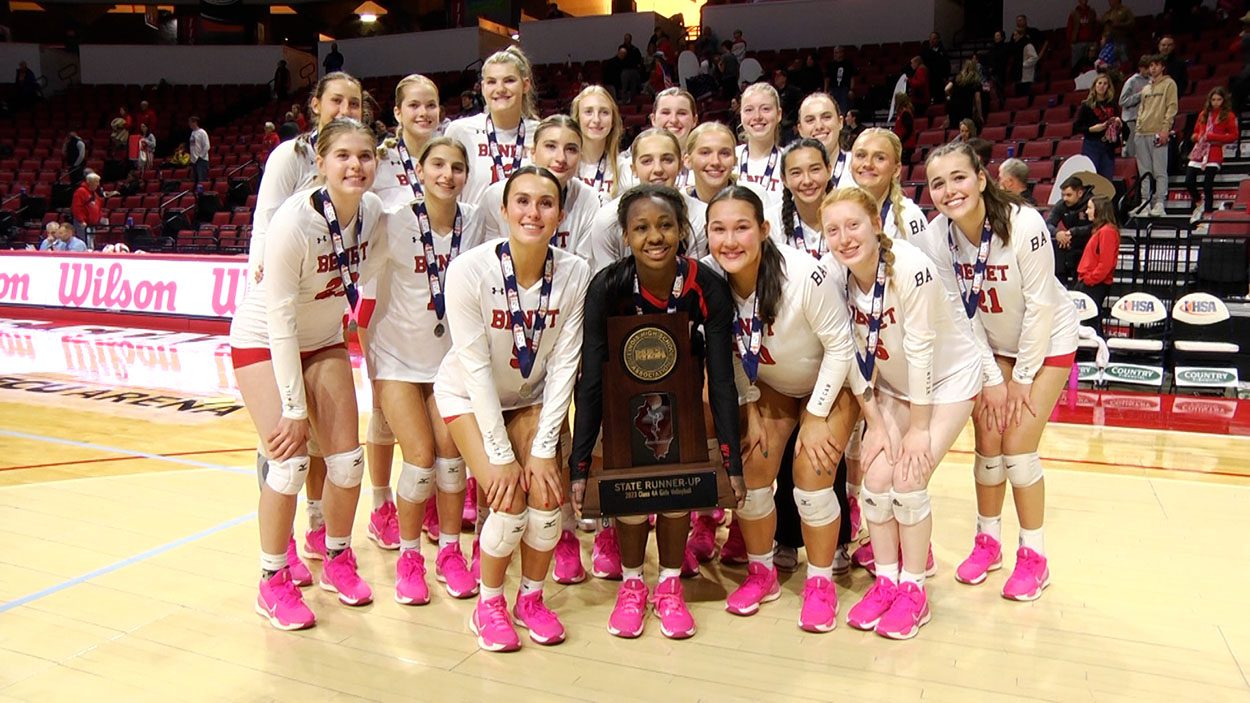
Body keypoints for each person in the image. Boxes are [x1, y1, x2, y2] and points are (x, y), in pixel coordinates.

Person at [230, 117, 386, 631]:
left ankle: (337, 557)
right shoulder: (294, 222)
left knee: (347, 463)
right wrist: (296, 409)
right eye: (342, 155)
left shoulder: (374, 214)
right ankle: (271, 580)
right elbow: (279, 318)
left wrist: (357, 336)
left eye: (364, 155)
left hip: (322, 340)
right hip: (263, 339)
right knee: (289, 464)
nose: (354, 165)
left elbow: (374, 285)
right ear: (320, 162)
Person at [570, 184, 746, 639]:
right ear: (625, 236)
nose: (655, 236)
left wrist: (732, 461)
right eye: (642, 227)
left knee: (676, 496)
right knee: (629, 498)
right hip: (622, 412)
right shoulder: (607, 286)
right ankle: (632, 586)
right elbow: (590, 381)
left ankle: (669, 587)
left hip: (682, 412)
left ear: (682, 230)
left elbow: (722, 380)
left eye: (666, 225)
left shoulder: (705, 285)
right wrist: (580, 464)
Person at [435, 166, 590, 652]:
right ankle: (489, 604)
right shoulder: (468, 270)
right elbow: (475, 368)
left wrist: (544, 450)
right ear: (503, 210)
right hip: (466, 394)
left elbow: (566, 365)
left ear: (560, 214)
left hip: (530, 397)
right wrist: (500, 457)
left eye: (546, 203)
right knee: (506, 501)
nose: (533, 212)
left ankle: (531, 598)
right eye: (521, 201)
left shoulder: (574, 271)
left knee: (546, 499)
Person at [917, 140, 1079, 603]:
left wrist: (1021, 380)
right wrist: (991, 378)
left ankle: (1035, 556)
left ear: (982, 179)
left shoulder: (1024, 223)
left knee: (1017, 446)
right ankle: (988, 542)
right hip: (992, 345)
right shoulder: (936, 238)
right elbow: (963, 316)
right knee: (988, 439)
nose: (950, 190)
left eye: (959, 178)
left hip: (1047, 340)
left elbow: (1043, 307)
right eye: (938, 183)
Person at [824, 186, 982, 640]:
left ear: (876, 223)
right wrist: (875, 421)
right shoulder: (837, 276)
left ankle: (914, 590)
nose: (844, 238)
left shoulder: (911, 268)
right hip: (894, 386)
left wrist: (917, 427)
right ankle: (887, 580)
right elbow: (848, 352)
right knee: (875, 480)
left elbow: (921, 350)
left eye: (853, 225)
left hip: (946, 379)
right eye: (833, 230)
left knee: (908, 480)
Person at [703, 185, 855, 633]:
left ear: (765, 230)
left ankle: (821, 582)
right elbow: (724, 351)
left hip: (829, 381)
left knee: (810, 485)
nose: (730, 240)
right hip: (769, 385)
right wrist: (748, 407)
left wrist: (815, 414)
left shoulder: (804, 276)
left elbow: (842, 349)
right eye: (719, 229)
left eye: (742, 228)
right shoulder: (711, 276)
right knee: (750, 479)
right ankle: (762, 573)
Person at [367, 136, 482, 604]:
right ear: (418, 168)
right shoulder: (392, 221)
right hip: (396, 357)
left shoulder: (474, 222)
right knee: (417, 458)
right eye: (438, 164)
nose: (447, 175)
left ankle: (450, 552)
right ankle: (410, 557)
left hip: (448, 361)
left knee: (451, 460)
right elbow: (352, 269)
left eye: (457, 167)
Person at [472, 115, 600, 264]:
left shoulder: (588, 199)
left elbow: (584, 267)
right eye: (551, 146)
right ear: (532, 152)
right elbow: (488, 260)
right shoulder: (496, 195)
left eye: (571, 149)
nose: (561, 158)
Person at [445, 47, 539, 204]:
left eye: (509, 80)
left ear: (525, 85)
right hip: (473, 227)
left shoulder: (540, 133)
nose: (500, 89)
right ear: (482, 88)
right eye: (491, 82)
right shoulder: (460, 131)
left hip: (525, 225)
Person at [849, 128, 928, 241]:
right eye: (861, 155)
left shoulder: (909, 216)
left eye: (880, 158)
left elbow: (925, 259)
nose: (868, 164)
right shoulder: (839, 211)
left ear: (896, 169)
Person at [1129, 55, 1178, 219]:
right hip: (1142, 133)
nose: (1153, 68)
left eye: (1156, 65)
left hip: (1158, 132)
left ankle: (1159, 203)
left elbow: (1171, 108)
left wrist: (1165, 129)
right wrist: (1137, 128)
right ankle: (1144, 203)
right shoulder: (1146, 88)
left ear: (1162, 67)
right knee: (1144, 172)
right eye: (1151, 66)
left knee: (1159, 170)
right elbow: (1141, 109)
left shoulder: (1169, 84)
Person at [1185, 86, 1238, 230]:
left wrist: (1213, 137)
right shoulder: (1203, 114)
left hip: (1214, 151)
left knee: (1207, 185)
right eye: (1213, 99)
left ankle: (1208, 214)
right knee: (1189, 180)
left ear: (1223, 100)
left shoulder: (1229, 115)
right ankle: (1198, 201)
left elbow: (1233, 136)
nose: (1215, 102)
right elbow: (1195, 133)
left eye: (1219, 99)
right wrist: (1198, 137)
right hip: (1199, 151)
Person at [571, 85, 626, 204]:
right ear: (577, 119)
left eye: (604, 112)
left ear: (612, 122)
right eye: (588, 112)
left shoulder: (623, 167)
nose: (596, 119)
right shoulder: (564, 163)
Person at [736, 83, 785, 208]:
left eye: (765, 109)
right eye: (749, 110)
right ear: (741, 115)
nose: (757, 116)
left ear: (779, 114)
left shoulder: (789, 160)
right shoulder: (729, 157)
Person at [1076, 195, 1119, 336]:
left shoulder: (1107, 231)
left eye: (1089, 208)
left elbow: (1105, 263)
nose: (1086, 211)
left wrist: (1090, 279)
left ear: (1099, 210)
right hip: (1090, 282)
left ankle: (1095, 351)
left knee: (1090, 320)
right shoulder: (1101, 230)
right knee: (1088, 320)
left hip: (1095, 284)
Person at [1045, 175, 1094, 286]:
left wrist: (1074, 231)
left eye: (1068, 195)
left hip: (1088, 246)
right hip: (1069, 245)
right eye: (1063, 195)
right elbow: (1048, 224)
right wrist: (1057, 233)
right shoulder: (1061, 205)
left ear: (1080, 193)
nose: (1065, 198)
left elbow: (1096, 226)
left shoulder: (1092, 203)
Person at [1074, 73, 1122, 180]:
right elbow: (1077, 127)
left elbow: (1120, 123)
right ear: (1094, 86)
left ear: (1108, 87)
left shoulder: (1112, 104)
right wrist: (1092, 129)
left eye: (1105, 84)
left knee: (1106, 178)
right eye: (1099, 83)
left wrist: (1118, 123)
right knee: (1091, 177)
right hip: (1092, 145)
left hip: (1108, 147)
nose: (1102, 86)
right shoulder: (1086, 105)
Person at [1119, 56, 1151, 158]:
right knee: (1132, 150)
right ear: (1141, 68)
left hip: (1145, 119)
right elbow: (1122, 101)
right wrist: (1140, 95)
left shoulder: (1152, 80)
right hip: (1131, 120)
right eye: (1146, 68)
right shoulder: (1131, 81)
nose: (1149, 71)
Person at [945, 60, 984, 132]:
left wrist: (952, 96)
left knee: (954, 129)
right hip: (966, 106)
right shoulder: (975, 80)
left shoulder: (957, 77)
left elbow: (946, 89)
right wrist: (980, 114)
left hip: (953, 105)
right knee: (966, 129)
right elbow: (977, 98)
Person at [1067, 0, 1101, 69]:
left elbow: (1096, 28)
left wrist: (1096, 41)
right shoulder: (1074, 13)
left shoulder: (1091, 12)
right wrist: (1071, 42)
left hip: (1090, 43)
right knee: (1077, 67)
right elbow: (1069, 29)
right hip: (1078, 43)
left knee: (1092, 65)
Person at [824, 46, 858, 114]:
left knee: (843, 108)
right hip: (833, 88)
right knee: (833, 108)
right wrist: (825, 90)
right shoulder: (830, 64)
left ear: (842, 53)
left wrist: (851, 90)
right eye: (834, 53)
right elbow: (827, 78)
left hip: (844, 89)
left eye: (837, 52)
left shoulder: (848, 64)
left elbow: (852, 78)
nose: (835, 54)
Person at [71, 171, 102, 243]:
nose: (98, 184)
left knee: (91, 243)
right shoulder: (80, 192)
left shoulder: (94, 194)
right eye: (96, 182)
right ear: (89, 182)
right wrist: (81, 220)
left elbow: (98, 207)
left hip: (92, 225)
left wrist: (98, 219)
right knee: (84, 242)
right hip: (83, 224)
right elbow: (76, 207)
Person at [920, 33, 949, 105]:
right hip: (930, 77)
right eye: (930, 39)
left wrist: (945, 77)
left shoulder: (943, 51)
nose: (932, 41)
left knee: (940, 98)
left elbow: (947, 65)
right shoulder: (925, 51)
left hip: (939, 78)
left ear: (938, 39)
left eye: (934, 39)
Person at [619, 33, 645, 104]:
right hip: (625, 70)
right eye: (625, 38)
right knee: (624, 87)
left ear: (631, 39)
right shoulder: (621, 48)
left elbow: (639, 59)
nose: (627, 40)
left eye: (628, 38)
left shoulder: (634, 49)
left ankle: (633, 102)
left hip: (634, 70)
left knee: (633, 87)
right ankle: (624, 102)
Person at [893, 94, 917, 165]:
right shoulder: (901, 113)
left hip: (906, 145)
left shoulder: (905, 113)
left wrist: (901, 141)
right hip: (903, 144)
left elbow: (909, 130)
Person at [188, 116, 210, 185]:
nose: (189, 124)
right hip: (194, 161)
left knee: (201, 181)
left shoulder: (202, 132)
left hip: (201, 160)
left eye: (190, 122)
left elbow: (207, 146)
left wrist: (200, 157)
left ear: (195, 123)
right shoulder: (192, 133)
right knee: (195, 181)